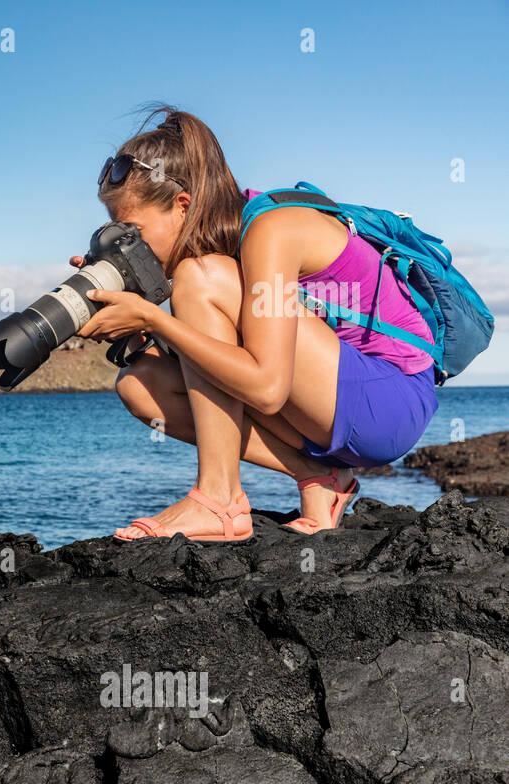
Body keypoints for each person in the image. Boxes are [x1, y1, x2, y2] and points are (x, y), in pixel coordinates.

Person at [72, 105, 439, 542]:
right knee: (140, 382)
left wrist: (154, 316)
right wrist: (138, 331)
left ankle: (219, 500)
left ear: (183, 206)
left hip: (388, 400)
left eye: (130, 229)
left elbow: (266, 387)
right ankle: (319, 480)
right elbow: (216, 368)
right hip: (331, 409)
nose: (123, 243)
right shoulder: (224, 253)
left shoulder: (270, 229)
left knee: (197, 276)